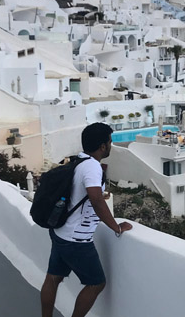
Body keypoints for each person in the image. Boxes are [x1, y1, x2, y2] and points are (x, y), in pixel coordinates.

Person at [40, 122, 132, 317]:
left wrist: (98, 196)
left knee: (53, 278)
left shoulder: (78, 161)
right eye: (110, 142)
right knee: (96, 283)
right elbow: (96, 200)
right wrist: (116, 226)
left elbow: (81, 193)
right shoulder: (93, 167)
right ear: (102, 146)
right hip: (77, 240)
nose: (111, 145)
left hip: (60, 232)